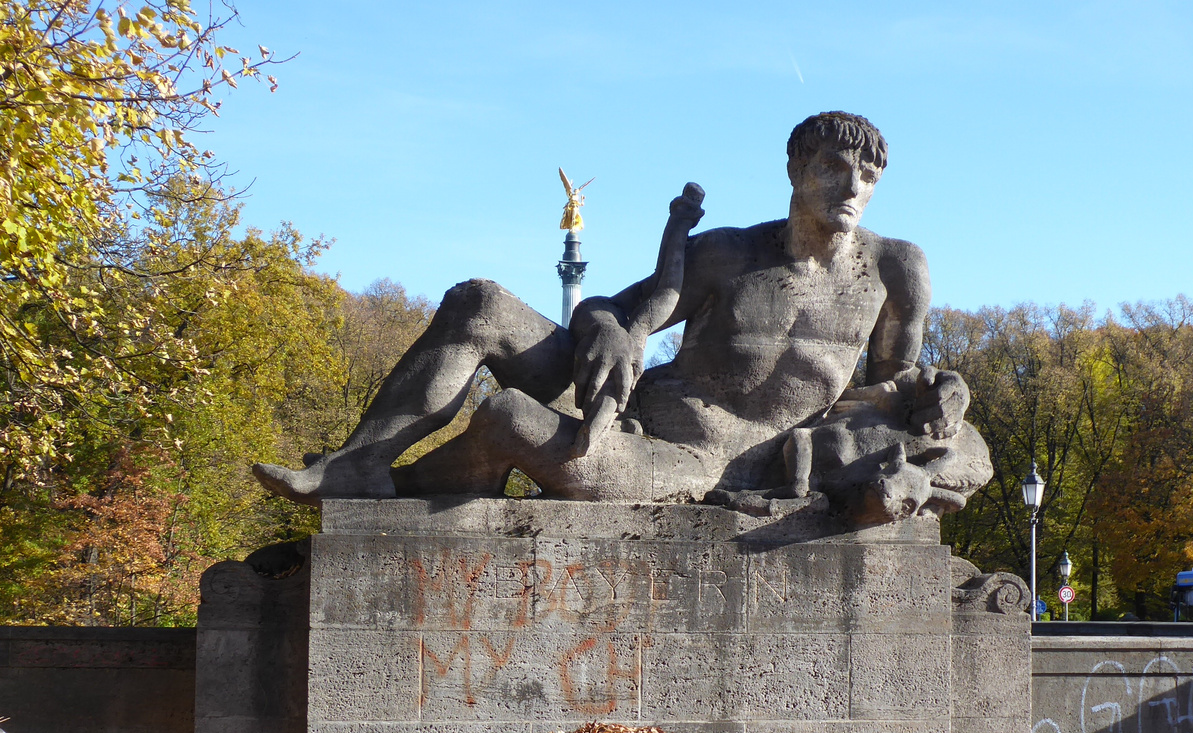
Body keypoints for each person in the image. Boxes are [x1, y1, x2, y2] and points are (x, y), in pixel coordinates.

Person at [253, 112, 966, 506]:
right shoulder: (727, 254)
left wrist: (947, 391)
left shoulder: (896, 269)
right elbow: (613, 307)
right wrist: (606, 329)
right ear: (795, 172)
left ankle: (416, 485)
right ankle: (358, 464)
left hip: (691, 461)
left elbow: (891, 391)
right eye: (834, 168)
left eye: (867, 175)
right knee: (478, 304)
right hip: (619, 397)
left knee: (506, 418)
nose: (852, 185)